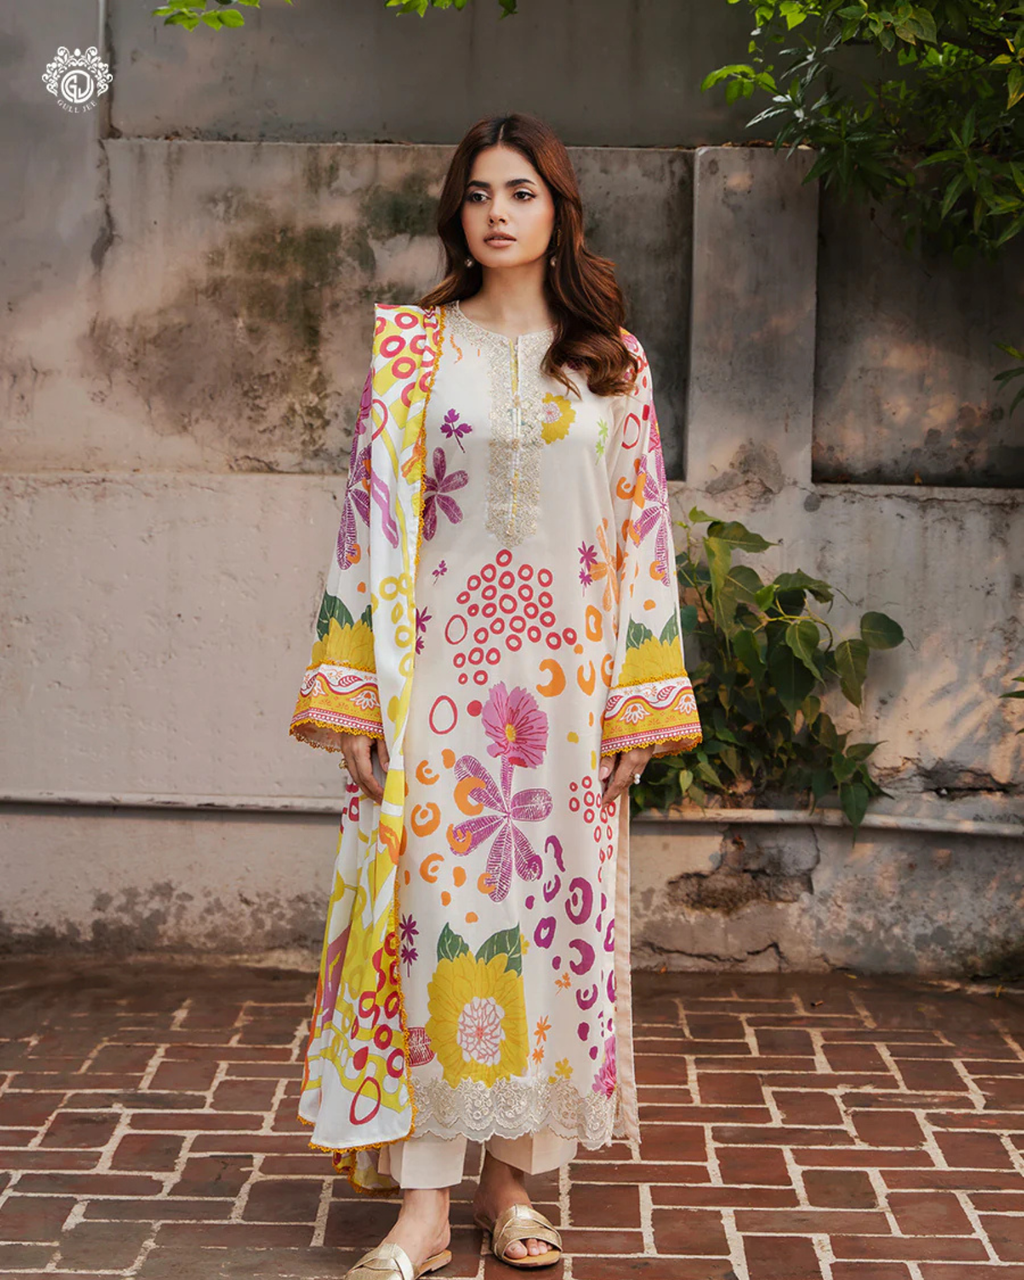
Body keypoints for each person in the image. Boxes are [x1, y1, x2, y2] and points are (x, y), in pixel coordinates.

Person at [289, 112, 703, 1280]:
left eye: (519, 191)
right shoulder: (418, 352)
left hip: (565, 701)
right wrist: (355, 700)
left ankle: (513, 1184)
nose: (497, 213)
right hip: (440, 690)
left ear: (557, 209)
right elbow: (365, 525)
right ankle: (422, 1205)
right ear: (456, 212)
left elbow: (642, 542)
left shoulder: (612, 362)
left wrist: (637, 705)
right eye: (477, 194)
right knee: (430, 925)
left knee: (544, 940)